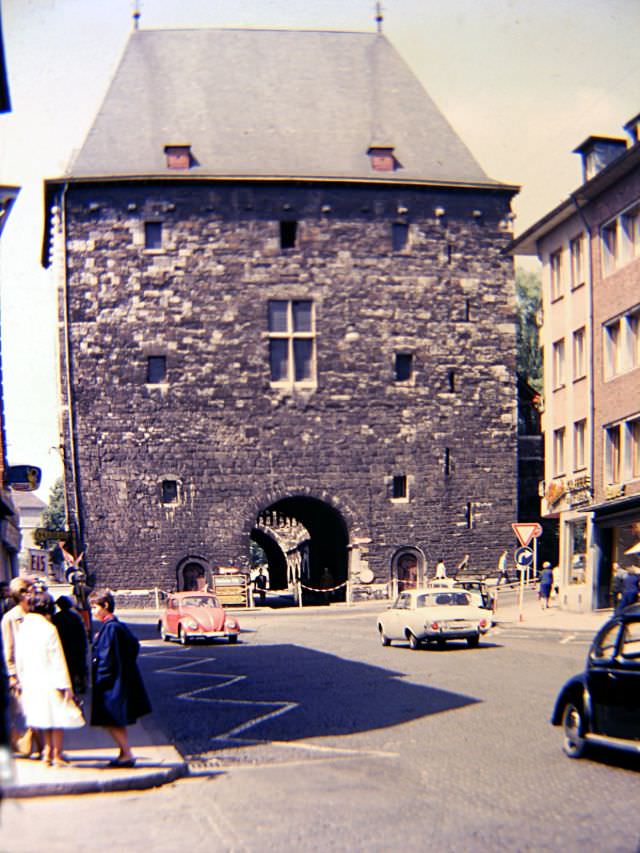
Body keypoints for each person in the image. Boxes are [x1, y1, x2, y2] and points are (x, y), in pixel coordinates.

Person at [15, 589, 84, 766]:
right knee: (58, 719)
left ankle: (46, 753)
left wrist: (21, 679)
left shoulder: (23, 627)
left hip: (31, 680)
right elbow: (57, 659)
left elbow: (19, 657)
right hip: (51, 680)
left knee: (43, 719)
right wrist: (66, 686)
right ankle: (57, 754)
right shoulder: (48, 628)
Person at [90, 589, 151, 767]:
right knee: (113, 720)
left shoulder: (111, 629)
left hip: (110, 684)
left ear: (105, 606)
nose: (93, 611)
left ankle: (127, 754)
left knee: (111, 719)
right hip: (119, 680)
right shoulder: (117, 626)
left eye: (94, 607)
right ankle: (124, 753)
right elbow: (133, 646)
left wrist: (100, 680)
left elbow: (106, 659)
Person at [52, 596, 89, 699]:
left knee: (68, 667)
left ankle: (71, 685)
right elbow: (82, 633)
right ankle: (82, 685)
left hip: (64, 646)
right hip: (76, 646)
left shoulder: (56, 618)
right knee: (79, 667)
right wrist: (84, 646)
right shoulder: (76, 617)